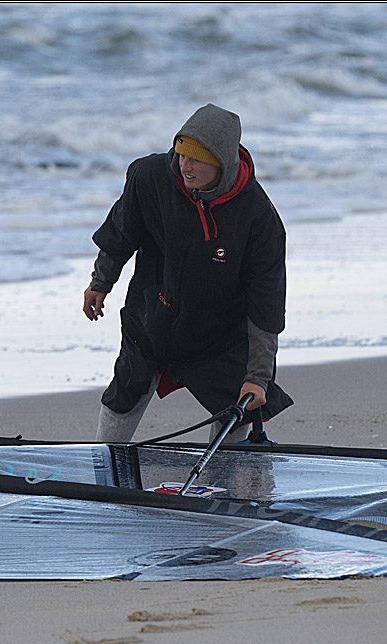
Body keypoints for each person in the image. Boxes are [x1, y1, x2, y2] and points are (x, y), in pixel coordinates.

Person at [82, 103, 293, 443]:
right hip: (153, 310)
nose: (184, 166)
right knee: (126, 388)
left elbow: (266, 303)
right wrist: (100, 281)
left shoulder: (259, 219)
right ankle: (103, 459)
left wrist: (258, 375)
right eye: (181, 154)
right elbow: (121, 232)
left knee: (240, 401)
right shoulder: (149, 177)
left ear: (222, 164)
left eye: (196, 159)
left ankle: (227, 471)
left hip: (219, 330)